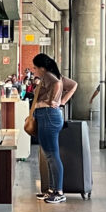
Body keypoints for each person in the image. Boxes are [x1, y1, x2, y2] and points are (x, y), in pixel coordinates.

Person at [31, 54, 78, 204]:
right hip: (49, 116)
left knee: (52, 155)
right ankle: (51, 189)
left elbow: (58, 84)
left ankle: (58, 191)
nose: (34, 71)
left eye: (35, 68)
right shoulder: (55, 75)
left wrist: (54, 100)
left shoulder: (49, 76)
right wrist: (62, 101)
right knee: (49, 155)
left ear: (42, 68)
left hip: (48, 116)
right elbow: (73, 85)